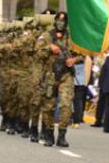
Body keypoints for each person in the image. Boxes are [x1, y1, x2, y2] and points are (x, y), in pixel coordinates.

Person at [40, 12, 78, 147]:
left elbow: (83, 54)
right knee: (48, 107)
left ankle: (62, 136)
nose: (61, 23)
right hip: (50, 75)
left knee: (66, 106)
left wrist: (74, 60)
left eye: (64, 21)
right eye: (59, 20)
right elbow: (36, 52)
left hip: (66, 76)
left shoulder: (72, 38)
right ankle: (49, 134)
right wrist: (48, 48)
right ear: (55, 21)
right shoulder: (47, 36)